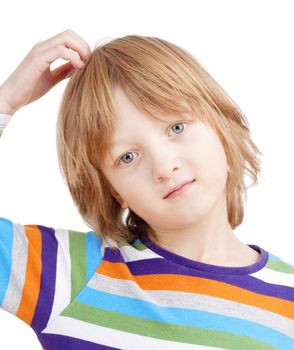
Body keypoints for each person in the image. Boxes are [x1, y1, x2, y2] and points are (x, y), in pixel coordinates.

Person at [0, 29, 293, 350]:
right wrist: (7, 100)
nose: (164, 166)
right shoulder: (71, 274)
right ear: (112, 190)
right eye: (127, 157)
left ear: (222, 126)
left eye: (176, 127)